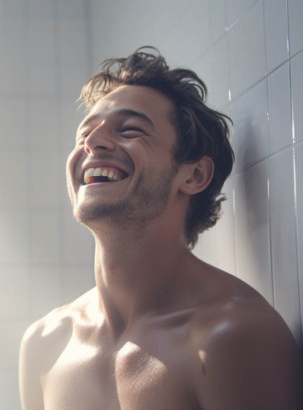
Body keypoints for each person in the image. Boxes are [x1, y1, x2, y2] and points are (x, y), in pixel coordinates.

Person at [18, 47, 303, 410]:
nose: (91, 143)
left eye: (130, 130)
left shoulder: (233, 336)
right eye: (84, 134)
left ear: (193, 175)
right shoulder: (45, 343)